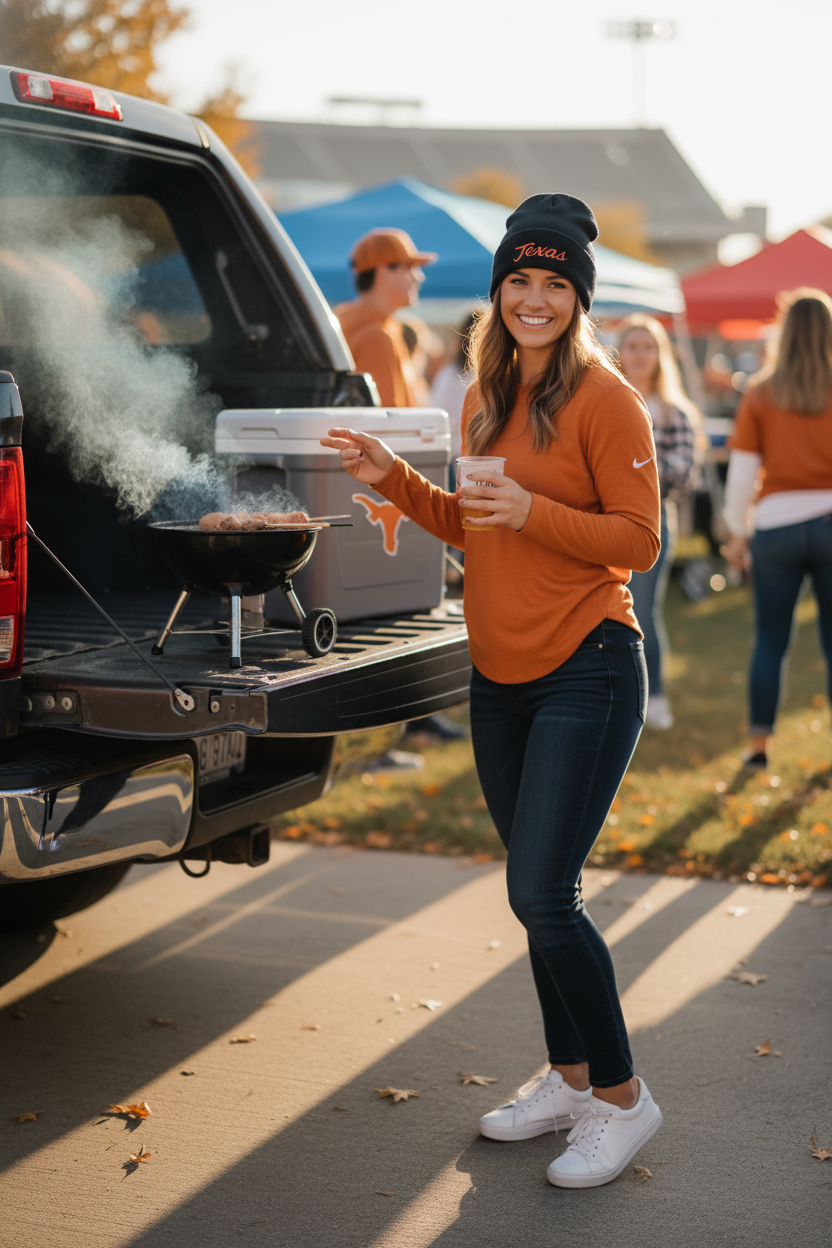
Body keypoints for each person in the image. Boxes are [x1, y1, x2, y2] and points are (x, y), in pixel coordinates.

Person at [322, 193, 663, 1189]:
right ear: (500, 287)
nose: (536, 298)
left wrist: (534, 506)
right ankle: (567, 1079)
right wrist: (395, 479)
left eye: (556, 283)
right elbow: (476, 525)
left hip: (587, 665)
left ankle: (623, 1100)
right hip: (498, 676)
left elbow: (637, 541)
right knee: (539, 899)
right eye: (522, 278)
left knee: (541, 894)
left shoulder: (607, 399)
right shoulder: (480, 395)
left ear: (577, 298)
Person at [724, 288, 832, 771]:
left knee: (770, 640)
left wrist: (736, 532)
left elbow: (742, 477)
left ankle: (758, 748)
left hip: (776, 527)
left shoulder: (762, 392)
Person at [617, 315, 703, 729]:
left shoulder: (674, 412)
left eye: (647, 347)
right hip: (605, 521)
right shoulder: (606, 402)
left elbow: (683, 475)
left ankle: (657, 695)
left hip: (653, 521)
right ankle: (615, 695)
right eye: (632, 346)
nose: (639, 354)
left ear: (659, 355)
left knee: (644, 613)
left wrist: (632, 466)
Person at [334, 229, 437, 407]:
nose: (419, 277)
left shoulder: (354, 323)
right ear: (383, 273)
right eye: (410, 267)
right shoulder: (377, 336)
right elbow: (388, 422)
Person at [431, 312, 477, 489]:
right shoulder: (451, 374)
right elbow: (438, 417)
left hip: (462, 455)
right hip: (459, 457)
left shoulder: (448, 374)